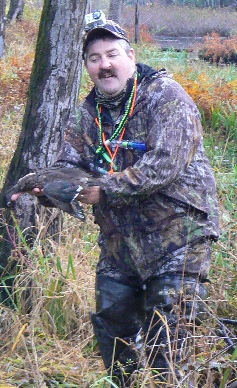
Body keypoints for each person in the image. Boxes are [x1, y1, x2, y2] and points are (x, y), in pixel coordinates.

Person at [11, 11, 220, 385]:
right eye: (94, 59)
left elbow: (162, 168)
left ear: (131, 57)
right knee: (112, 326)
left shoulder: (166, 98)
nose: (104, 65)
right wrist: (50, 191)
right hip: (120, 240)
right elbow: (68, 166)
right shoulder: (86, 114)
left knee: (168, 334)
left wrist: (101, 189)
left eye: (112, 55)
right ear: (87, 67)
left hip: (180, 235)